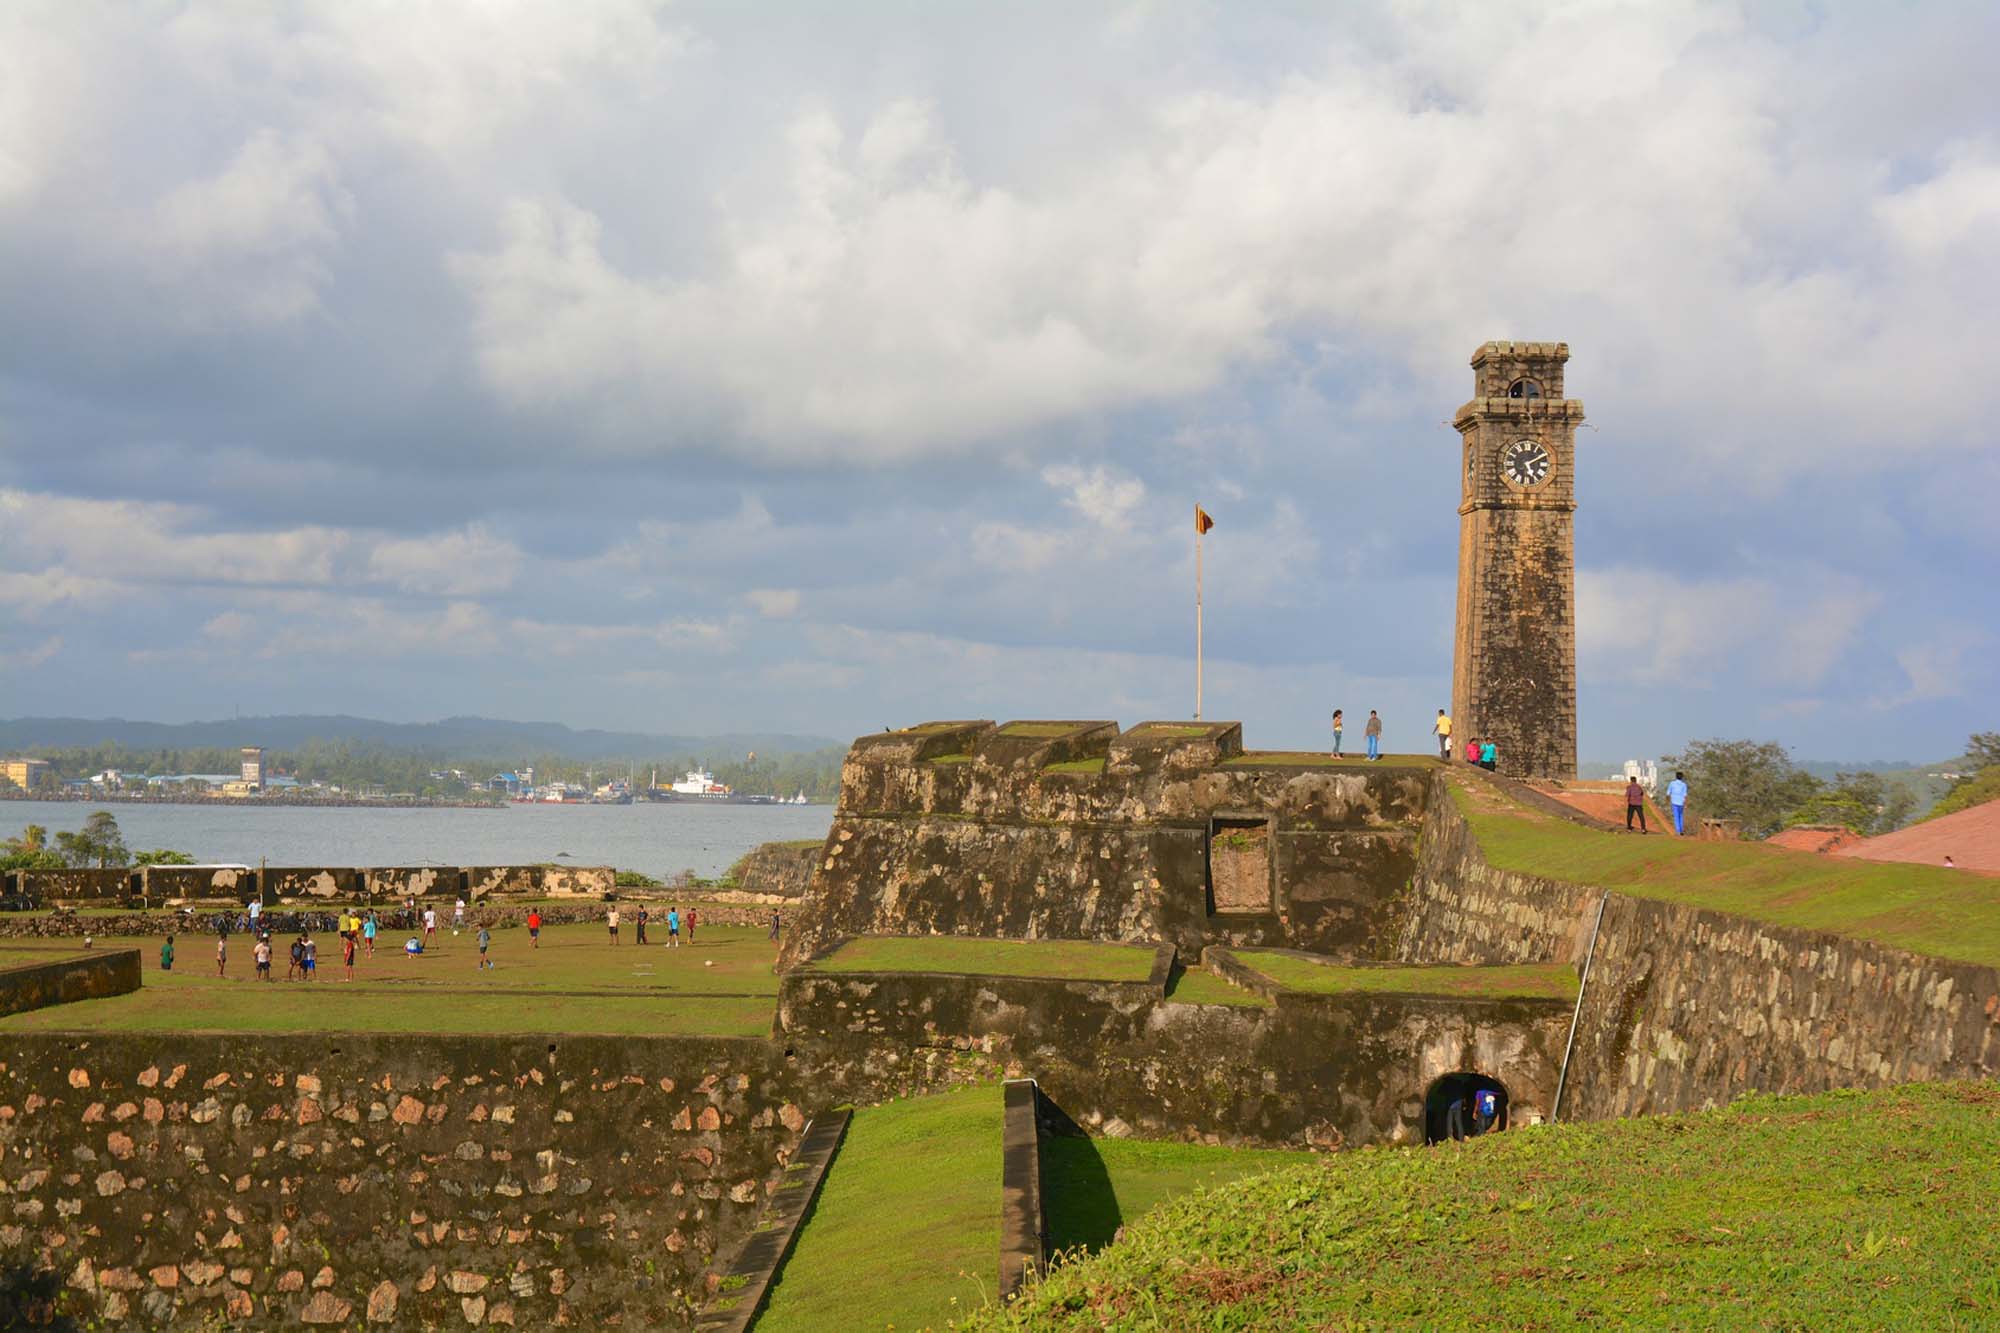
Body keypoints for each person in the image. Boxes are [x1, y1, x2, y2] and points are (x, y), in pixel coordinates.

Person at [1667, 770, 1689, 836]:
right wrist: (1686, 803)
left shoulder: (1672, 783)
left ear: (1676, 777)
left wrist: (1667, 801)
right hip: (1681, 802)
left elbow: (1668, 793)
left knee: (1676, 817)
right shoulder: (1684, 785)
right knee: (1681, 816)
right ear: (1682, 777)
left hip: (1674, 802)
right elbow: (1685, 795)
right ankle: (1681, 830)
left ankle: (1678, 831)